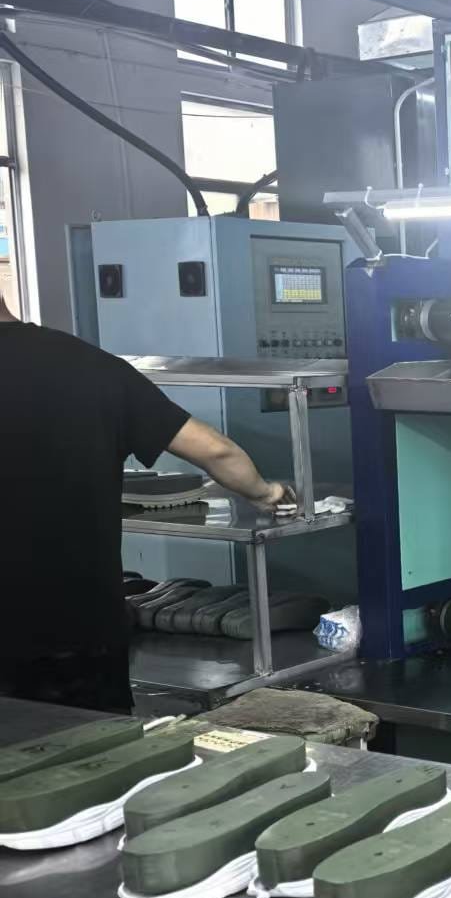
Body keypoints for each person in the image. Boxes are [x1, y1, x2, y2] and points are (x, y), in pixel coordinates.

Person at [0, 297, 295, 712]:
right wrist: (265, 493)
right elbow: (216, 450)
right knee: (94, 748)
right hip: (82, 636)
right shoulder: (91, 365)